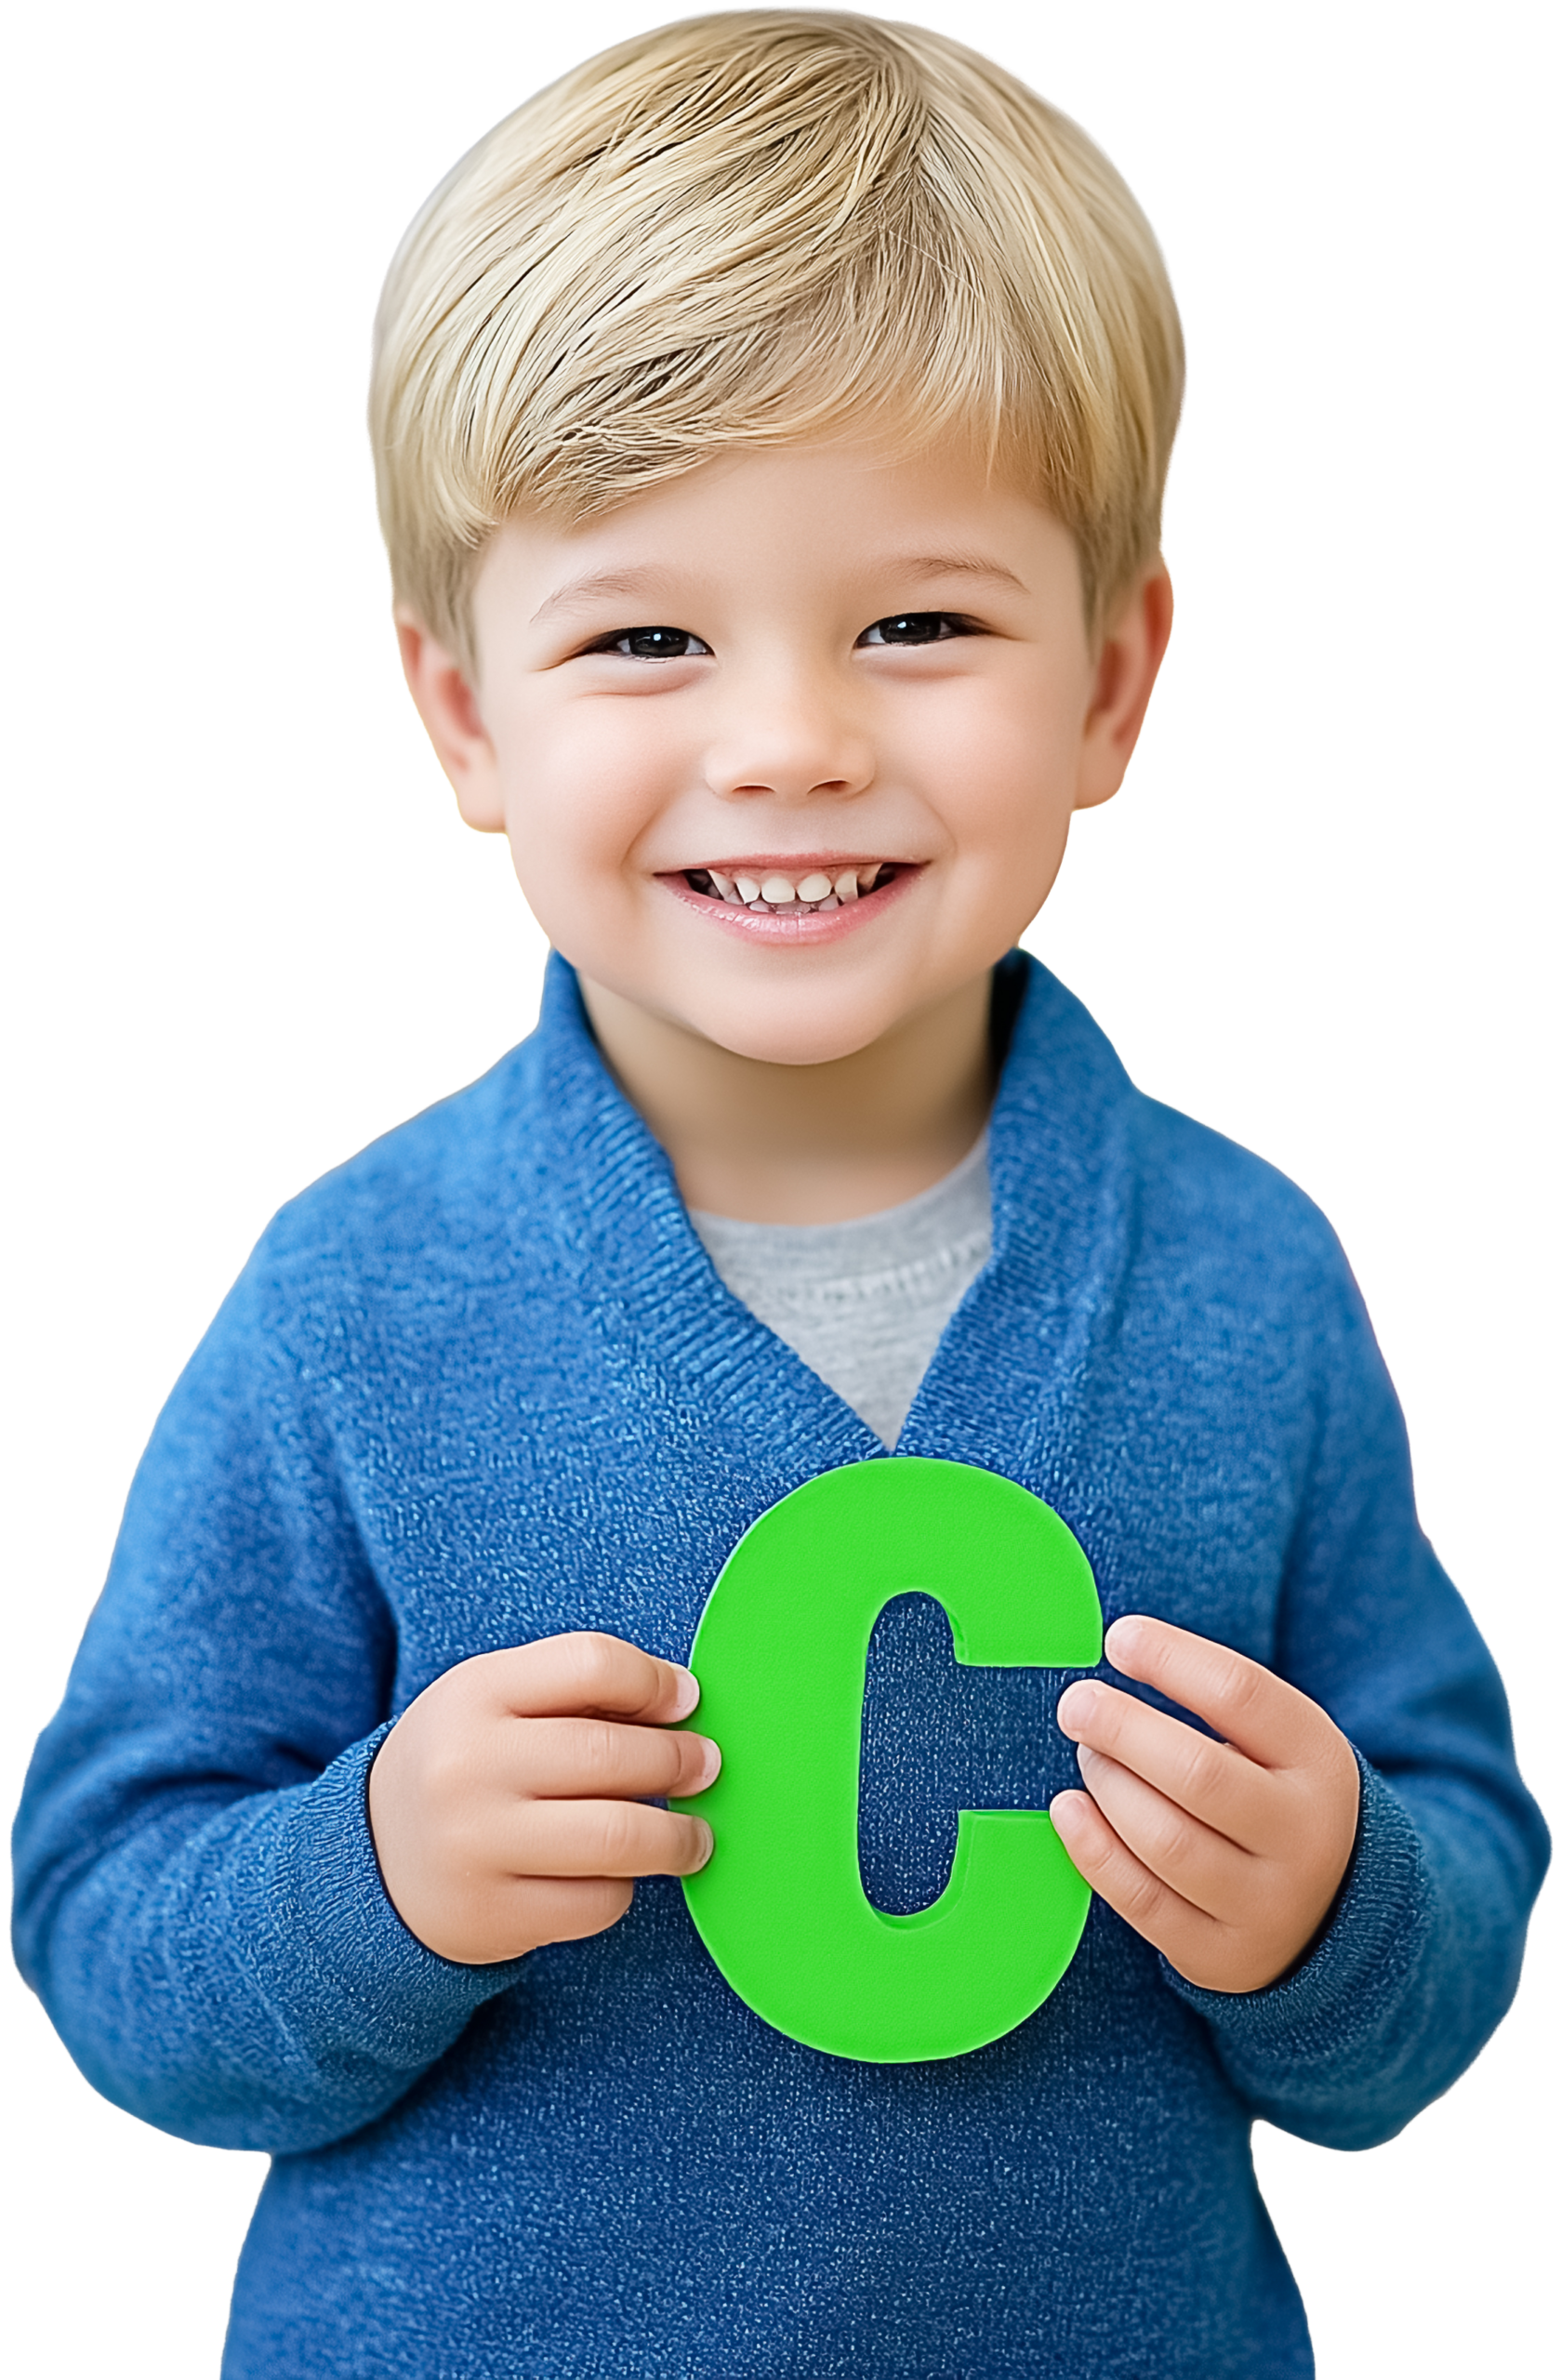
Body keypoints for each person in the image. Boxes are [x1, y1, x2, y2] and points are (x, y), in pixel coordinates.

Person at [11, 11, 1548, 2373]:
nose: (791, 738)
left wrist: (1336, 1900)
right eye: (644, 633)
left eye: (915, 622)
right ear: (463, 719)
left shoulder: (1248, 1273)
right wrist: (376, 1872)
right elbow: (115, 1936)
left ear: (1112, 683)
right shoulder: (354, 1296)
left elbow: (1434, 1933)